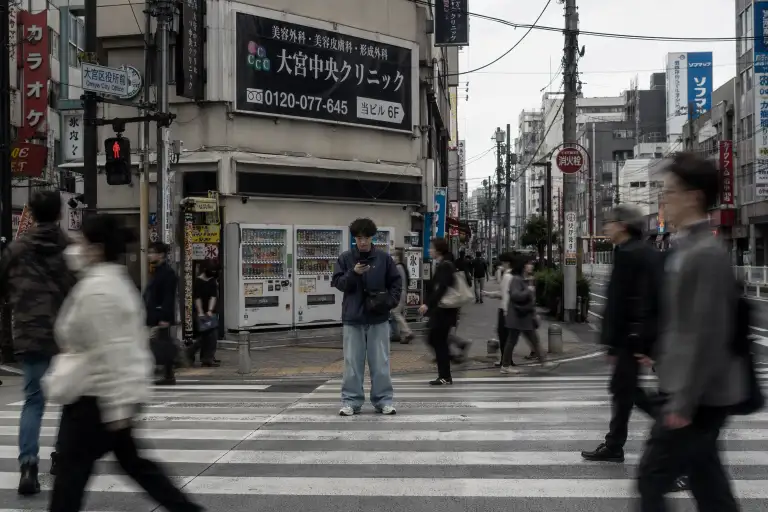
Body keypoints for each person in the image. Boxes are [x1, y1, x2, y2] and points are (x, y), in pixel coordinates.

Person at [48, 214, 202, 512]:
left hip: (94, 398)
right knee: (135, 466)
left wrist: (118, 408)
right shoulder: (108, 281)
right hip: (104, 395)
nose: (75, 247)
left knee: (70, 475)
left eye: (81, 241)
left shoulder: (98, 290)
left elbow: (114, 350)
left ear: (95, 248)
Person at [636, 152, 744, 511]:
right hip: (695, 392)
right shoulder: (688, 247)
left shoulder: (705, 253)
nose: (663, 200)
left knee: (652, 478)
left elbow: (708, 334)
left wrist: (683, 400)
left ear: (693, 197)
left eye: (669, 192)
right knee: (709, 486)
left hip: (698, 396)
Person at [0, 190, 76, 494]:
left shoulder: (17, 250)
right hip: (65, 335)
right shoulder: (69, 249)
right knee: (69, 398)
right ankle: (61, 456)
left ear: (30, 213)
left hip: (29, 332)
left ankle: (28, 466)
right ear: (59, 214)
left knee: (34, 400)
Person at [580, 205, 664, 460]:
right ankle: (615, 443)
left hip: (631, 338)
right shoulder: (634, 251)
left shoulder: (633, 254)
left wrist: (631, 340)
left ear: (623, 225)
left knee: (627, 391)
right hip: (631, 337)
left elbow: (636, 300)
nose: (606, 227)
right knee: (624, 391)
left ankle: (673, 426)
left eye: (610, 222)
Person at [332, 218, 402, 416]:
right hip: (353, 317)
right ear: (354, 238)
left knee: (380, 362)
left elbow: (396, 284)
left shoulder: (384, 259)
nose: (362, 242)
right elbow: (338, 283)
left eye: (366, 238)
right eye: (359, 238)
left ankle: (383, 400)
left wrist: (390, 302)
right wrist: (353, 273)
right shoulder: (346, 258)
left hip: (378, 317)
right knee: (352, 363)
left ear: (373, 238)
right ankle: (351, 401)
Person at [500, 255, 554, 373]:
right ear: (523, 266)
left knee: (532, 339)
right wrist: (528, 290)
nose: (531, 266)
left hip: (523, 315)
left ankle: (543, 361)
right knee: (513, 341)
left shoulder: (523, 279)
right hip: (518, 315)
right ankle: (505, 365)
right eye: (529, 264)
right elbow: (515, 295)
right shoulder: (516, 279)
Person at [418, 238, 459, 385]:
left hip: (444, 311)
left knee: (436, 340)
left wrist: (428, 304)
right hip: (444, 310)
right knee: (437, 340)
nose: (430, 250)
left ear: (438, 249)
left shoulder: (445, 265)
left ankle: (445, 374)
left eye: (431, 248)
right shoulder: (444, 263)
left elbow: (441, 288)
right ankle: (446, 371)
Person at [144, 241, 178, 385]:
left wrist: (164, 316)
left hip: (160, 315)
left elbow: (168, 297)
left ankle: (168, 373)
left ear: (161, 255)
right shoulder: (157, 271)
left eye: (152, 252)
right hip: (155, 315)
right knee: (161, 343)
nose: (149, 255)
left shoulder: (167, 273)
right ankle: (168, 373)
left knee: (162, 343)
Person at [482, 252, 515, 368]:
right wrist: (488, 294)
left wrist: (505, 311)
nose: (501, 265)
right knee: (508, 337)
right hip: (510, 309)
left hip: (505, 309)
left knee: (504, 336)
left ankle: (505, 361)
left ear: (506, 263)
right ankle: (507, 360)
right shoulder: (512, 274)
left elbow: (504, 294)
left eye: (502, 262)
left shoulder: (507, 275)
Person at [187, 260, 220, 367]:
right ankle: (195, 355)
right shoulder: (199, 281)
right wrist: (201, 312)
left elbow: (213, 297)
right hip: (201, 313)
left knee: (210, 336)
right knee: (206, 336)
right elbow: (197, 298)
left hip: (210, 313)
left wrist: (210, 310)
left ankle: (206, 358)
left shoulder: (212, 281)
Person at [391, 248, 414, 344]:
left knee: (395, 312)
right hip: (403, 292)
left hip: (399, 293)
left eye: (394, 256)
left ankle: (408, 332)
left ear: (398, 257)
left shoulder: (398, 267)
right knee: (396, 313)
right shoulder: (403, 267)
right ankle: (396, 334)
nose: (393, 258)